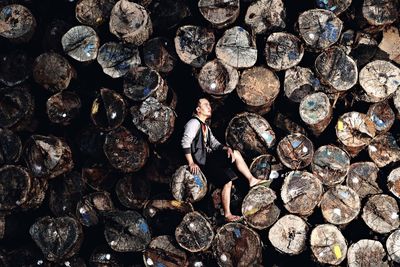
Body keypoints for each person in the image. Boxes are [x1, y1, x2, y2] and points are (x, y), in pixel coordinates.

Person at [181, 98, 268, 222]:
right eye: (205, 105)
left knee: (235, 153)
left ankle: (252, 180)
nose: (209, 107)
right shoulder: (193, 123)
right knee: (227, 181)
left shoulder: (204, 125)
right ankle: (227, 214)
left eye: (209, 104)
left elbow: (214, 143)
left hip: (211, 158)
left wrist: (225, 148)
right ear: (198, 109)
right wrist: (191, 162)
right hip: (204, 162)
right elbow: (185, 142)